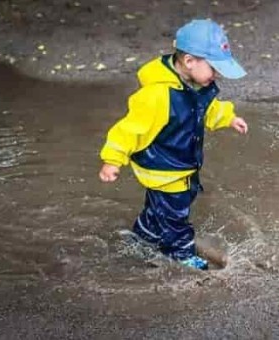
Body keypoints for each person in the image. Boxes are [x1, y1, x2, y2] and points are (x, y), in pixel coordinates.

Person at [98, 19, 248, 270]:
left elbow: (207, 110)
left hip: (177, 165)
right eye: (214, 67)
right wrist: (112, 160)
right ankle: (181, 254)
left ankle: (142, 237)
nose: (218, 74)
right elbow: (129, 128)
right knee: (176, 216)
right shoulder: (157, 95)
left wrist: (229, 118)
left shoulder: (197, 85)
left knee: (158, 208)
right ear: (189, 61)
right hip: (165, 169)